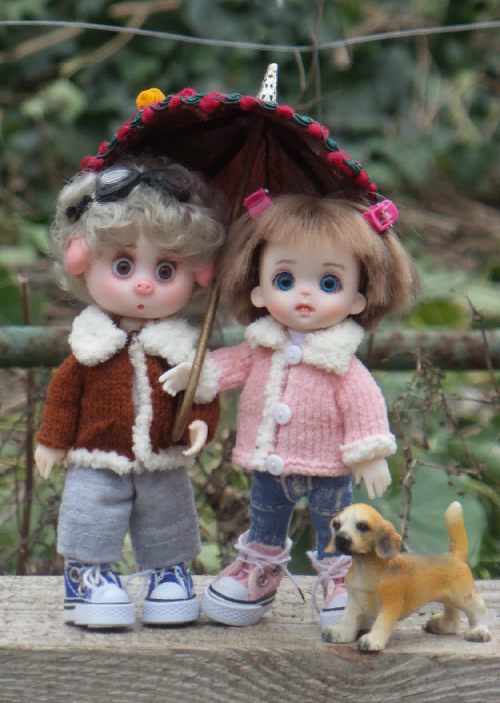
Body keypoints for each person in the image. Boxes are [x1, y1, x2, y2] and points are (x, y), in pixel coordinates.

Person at [162, 191, 419, 629]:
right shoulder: (261, 347)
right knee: (265, 520)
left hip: (328, 469)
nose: (304, 294)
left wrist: (369, 453)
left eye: (329, 283)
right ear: (258, 290)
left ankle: (344, 581)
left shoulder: (341, 363)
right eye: (284, 280)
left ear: (358, 298)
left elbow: (364, 403)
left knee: (334, 527)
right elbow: (228, 366)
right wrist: (198, 372)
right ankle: (258, 570)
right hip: (270, 466)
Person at [35, 155, 225, 629]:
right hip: (97, 453)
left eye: (166, 270)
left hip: (162, 454)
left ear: (199, 275)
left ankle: (169, 573)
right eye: (122, 265)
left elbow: (203, 396)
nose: (142, 283)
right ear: (81, 261)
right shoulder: (91, 347)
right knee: (90, 514)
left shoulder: (180, 350)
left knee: (169, 516)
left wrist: (200, 422)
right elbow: (64, 394)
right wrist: (52, 441)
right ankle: (87, 575)